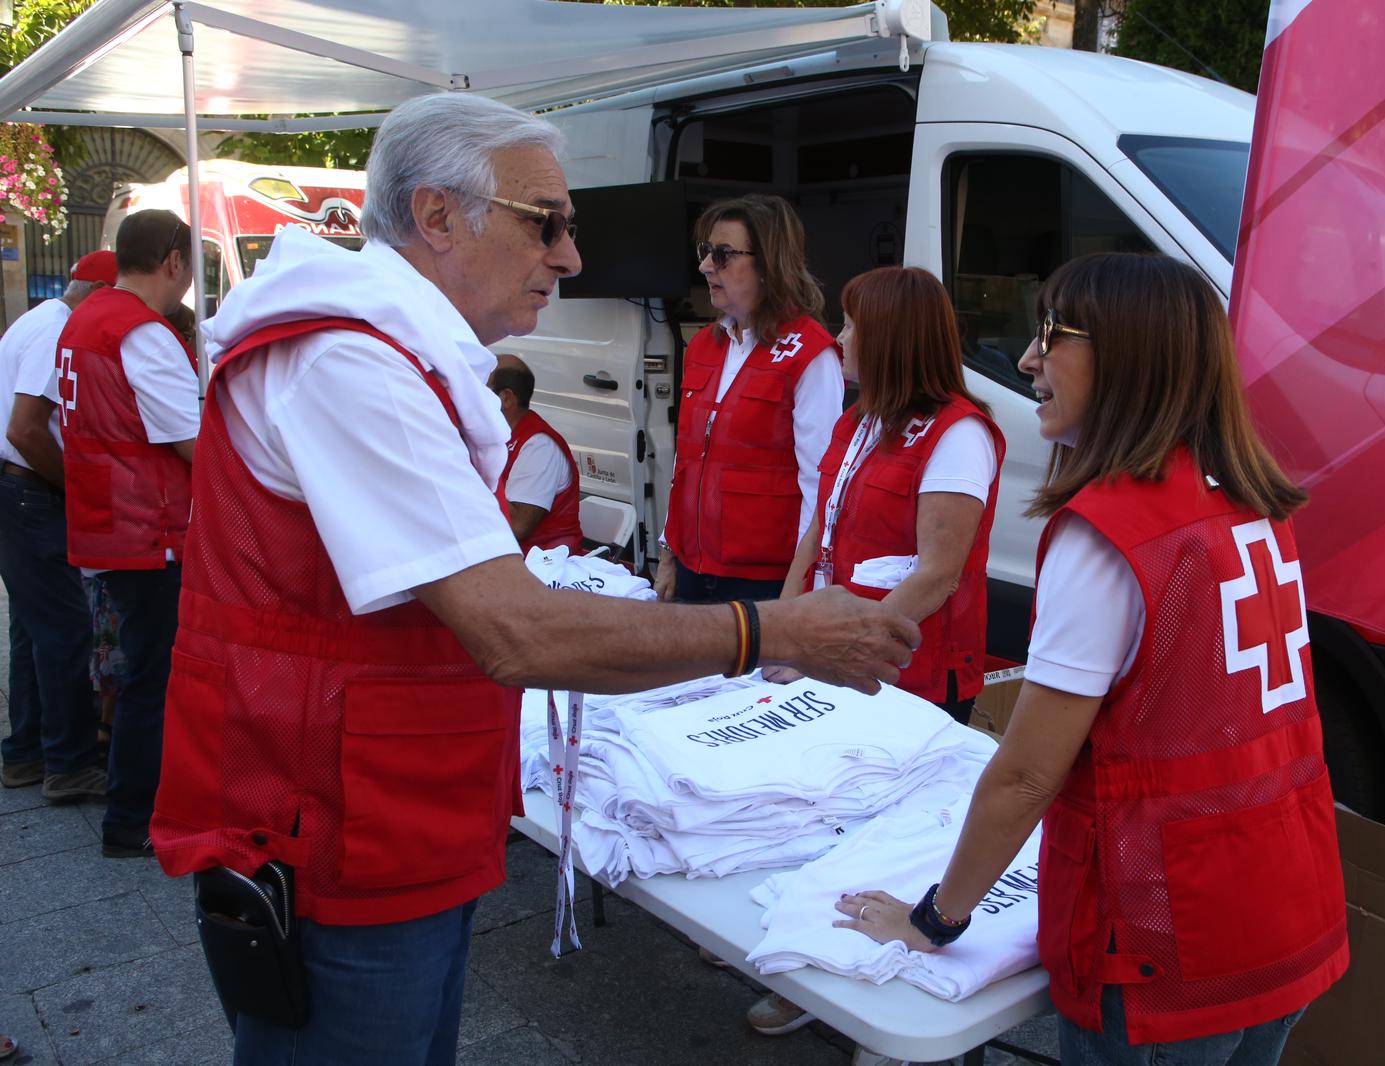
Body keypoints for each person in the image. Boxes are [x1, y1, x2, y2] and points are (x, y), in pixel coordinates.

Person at [148, 92, 917, 1066]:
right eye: (544, 223)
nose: (570, 256)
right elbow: (514, 630)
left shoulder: (375, 352)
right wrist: (779, 631)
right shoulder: (352, 364)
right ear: (436, 216)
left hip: (382, 814)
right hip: (337, 830)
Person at [834, 254, 1347, 1066]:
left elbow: (1026, 775)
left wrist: (934, 919)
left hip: (1162, 934)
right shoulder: (1251, 495)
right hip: (1283, 899)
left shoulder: (1109, 531)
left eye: (1052, 334)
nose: (1030, 360)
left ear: (1129, 353)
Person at [768, 266, 1005, 725]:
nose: (840, 338)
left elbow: (938, 576)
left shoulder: (959, 434)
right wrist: (784, 628)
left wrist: (837, 653)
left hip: (908, 676)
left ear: (890, 338)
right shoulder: (859, 419)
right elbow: (820, 528)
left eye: (853, 325)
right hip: (836, 662)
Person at [57, 215, 197, 860]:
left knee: (140, 674)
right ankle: (134, 817)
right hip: (149, 526)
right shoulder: (144, 331)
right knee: (153, 679)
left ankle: (134, 808)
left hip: (110, 518)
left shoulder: (88, 317)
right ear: (173, 261)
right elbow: (189, 440)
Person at [654, 194, 844, 604]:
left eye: (722, 254)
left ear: (769, 263)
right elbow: (684, 462)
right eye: (705, 251)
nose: (705, 266)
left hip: (764, 584)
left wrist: (799, 590)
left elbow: (821, 484)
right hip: (692, 570)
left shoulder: (811, 353)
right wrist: (668, 554)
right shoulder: (704, 344)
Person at [0, 251, 117, 800]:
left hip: (17, 492)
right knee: (65, 630)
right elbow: (26, 431)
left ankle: (27, 752)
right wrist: (75, 486)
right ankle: (67, 762)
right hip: (28, 492)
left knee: (32, 629)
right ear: (97, 291)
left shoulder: (41, 319)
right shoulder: (56, 332)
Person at [488, 353, 581, 554]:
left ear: (506, 398)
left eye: (481, 391)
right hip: (513, 559)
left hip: (544, 565)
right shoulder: (502, 436)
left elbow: (516, 526)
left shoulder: (539, 445)